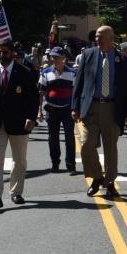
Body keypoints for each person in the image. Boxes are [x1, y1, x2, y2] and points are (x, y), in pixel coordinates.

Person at [72, 25, 127, 200]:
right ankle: (97, 176)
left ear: (111, 39)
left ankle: (109, 182)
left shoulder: (123, 60)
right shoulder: (88, 54)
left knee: (110, 148)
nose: (96, 39)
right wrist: (75, 106)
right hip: (91, 106)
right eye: (96, 36)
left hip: (113, 108)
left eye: (100, 36)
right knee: (86, 145)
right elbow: (79, 82)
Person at [0, 40, 39, 208]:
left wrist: (31, 118)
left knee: (19, 160)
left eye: (5, 52)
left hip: (19, 123)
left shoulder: (24, 73)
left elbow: (33, 98)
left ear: (12, 53)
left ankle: (16, 193)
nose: (1, 55)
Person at [37, 46, 77, 174]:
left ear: (64, 58)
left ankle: (71, 166)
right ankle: (55, 164)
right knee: (52, 138)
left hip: (67, 110)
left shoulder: (72, 73)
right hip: (51, 110)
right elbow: (41, 93)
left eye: (57, 57)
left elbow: (76, 93)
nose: (54, 60)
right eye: (53, 57)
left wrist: (76, 109)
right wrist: (39, 111)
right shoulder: (45, 72)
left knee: (69, 138)